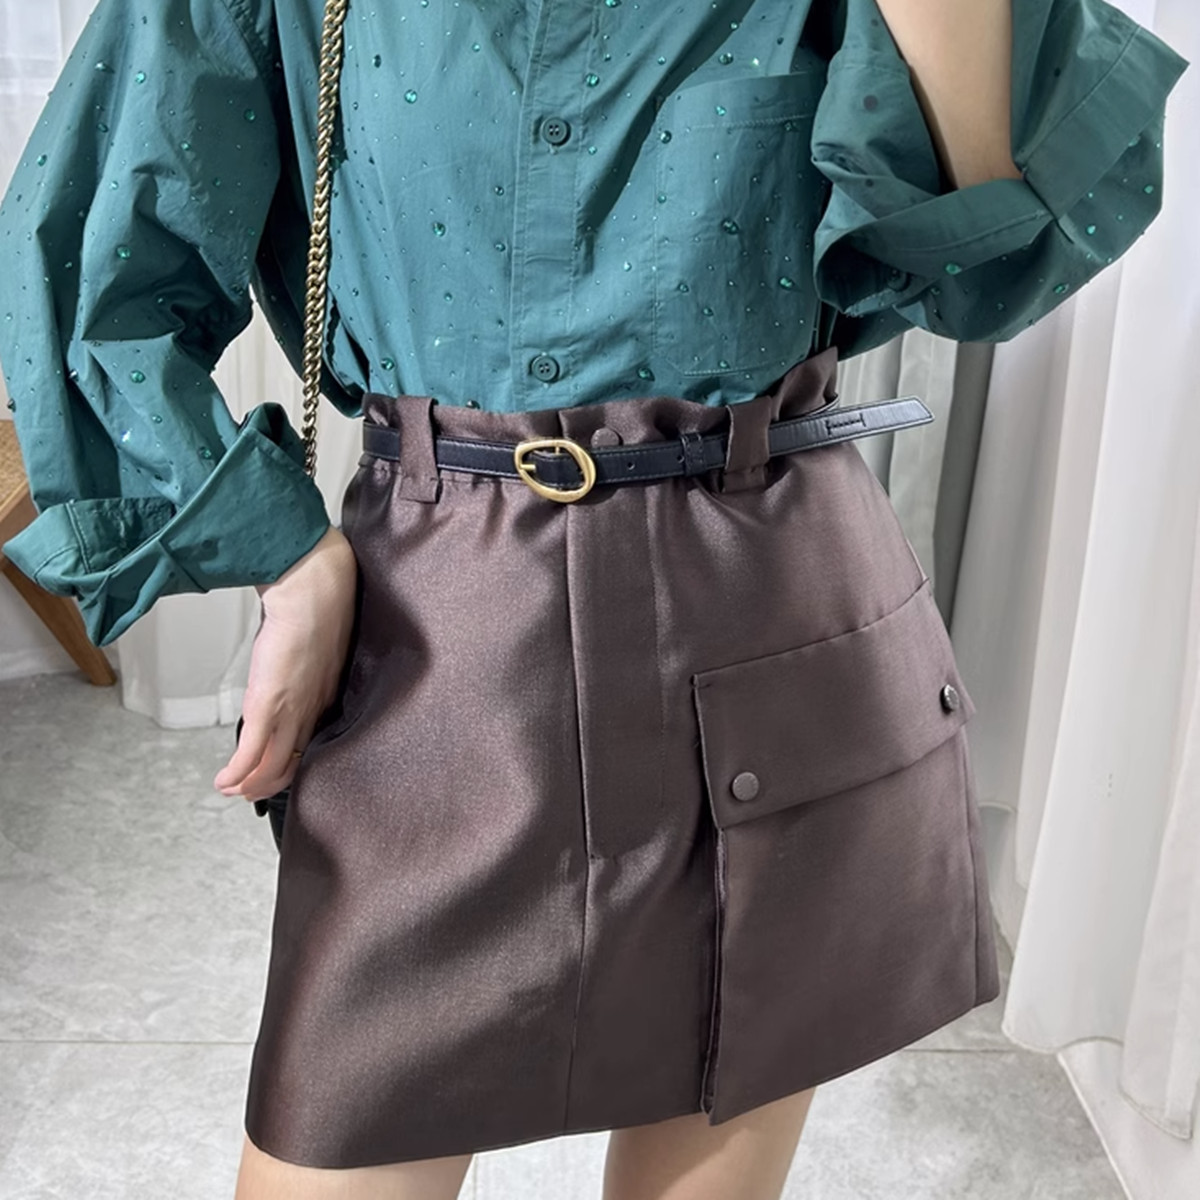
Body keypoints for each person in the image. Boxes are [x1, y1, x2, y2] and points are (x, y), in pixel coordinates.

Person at [0, 0, 1188, 1197]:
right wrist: (290, 556)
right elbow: (94, 263)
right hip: (443, 644)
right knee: (331, 1131)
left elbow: (981, 258)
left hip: (771, 639)